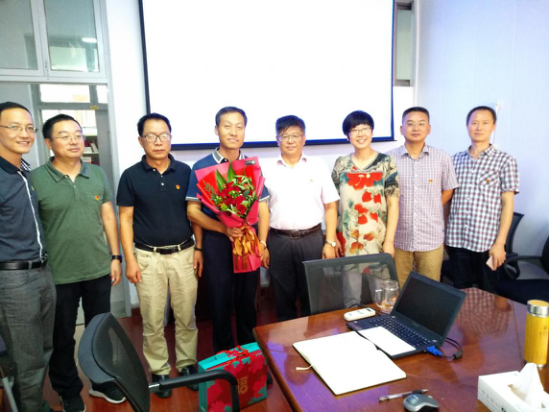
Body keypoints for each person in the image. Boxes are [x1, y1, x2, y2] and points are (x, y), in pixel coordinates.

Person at [30, 114, 125, 411]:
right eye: (64, 135)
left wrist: (115, 256)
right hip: (57, 274)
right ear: (49, 143)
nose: (74, 140)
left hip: (98, 268)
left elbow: (108, 216)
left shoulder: (96, 173)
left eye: (78, 134)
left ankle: (101, 381)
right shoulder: (35, 180)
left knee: (99, 331)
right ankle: (68, 389)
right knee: (62, 336)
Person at [118, 113, 202, 398]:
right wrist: (129, 259)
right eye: (151, 136)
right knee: (152, 319)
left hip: (184, 253)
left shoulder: (185, 171)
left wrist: (199, 248)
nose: (158, 141)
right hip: (147, 258)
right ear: (140, 140)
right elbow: (125, 220)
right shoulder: (130, 176)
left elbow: (194, 215)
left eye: (163, 135)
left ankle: (187, 363)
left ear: (171, 138)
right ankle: (159, 368)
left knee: (186, 314)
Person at [186, 107, 270, 354]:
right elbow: (193, 212)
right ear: (216, 130)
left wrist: (262, 243)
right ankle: (225, 359)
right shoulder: (202, 166)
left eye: (239, 127)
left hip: (247, 241)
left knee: (247, 302)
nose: (234, 132)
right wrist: (222, 228)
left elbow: (263, 209)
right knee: (219, 303)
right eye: (227, 126)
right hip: (217, 242)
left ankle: (250, 357)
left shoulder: (252, 165)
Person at [0, 101, 56, 412]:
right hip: (13, 278)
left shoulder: (24, 172)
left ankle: (30, 403)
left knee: (43, 348)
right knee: (27, 357)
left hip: (42, 272)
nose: (25, 133)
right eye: (15, 127)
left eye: (29, 128)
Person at [263, 115, 339, 321]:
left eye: (295, 135)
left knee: (312, 296)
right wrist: (263, 244)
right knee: (282, 298)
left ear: (304, 138)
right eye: (284, 136)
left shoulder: (318, 166)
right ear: (277, 139)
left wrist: (330, 242)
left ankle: (311, 338)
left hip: (312, 239)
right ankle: (287, 338)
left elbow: (331, 206)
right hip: (278, 240)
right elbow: (261, 210)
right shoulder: (265, 169)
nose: (290, 140)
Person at [446, 106, 520, 292]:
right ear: (467, 126)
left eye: (485, 123)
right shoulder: (455, 160)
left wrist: (500, 244)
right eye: (474, 123)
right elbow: (448, 198)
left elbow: (507, 204)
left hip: (487, 242)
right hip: (457, 238)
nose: (479, 127)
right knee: (460, 291)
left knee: (488, 292)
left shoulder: (505, 161)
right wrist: (445, 232)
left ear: (493, 126)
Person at [332, 110, 399, 307]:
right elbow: (332, 202)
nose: (360, 134)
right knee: (351, 298)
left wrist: (389, 241)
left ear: (372, 132)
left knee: (383, 298)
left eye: (365, 129)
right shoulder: (341, 164)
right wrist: (332, 236)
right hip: (348, 240)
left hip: (377, 240)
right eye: (354, 130)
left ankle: (383, 325)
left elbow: (393, 203)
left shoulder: (386, 162)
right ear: (348, 136)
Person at [387, 107, 458, 286]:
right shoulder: (388, 159)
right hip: (398, 236)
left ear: (429, 128)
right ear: (401, 129)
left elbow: (448, 189)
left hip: (430, 236)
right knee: (398, 288)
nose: (416, 128)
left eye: (421, 123)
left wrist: (433, 206)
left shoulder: (442, 157)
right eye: (410, 124)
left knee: (429, 289)